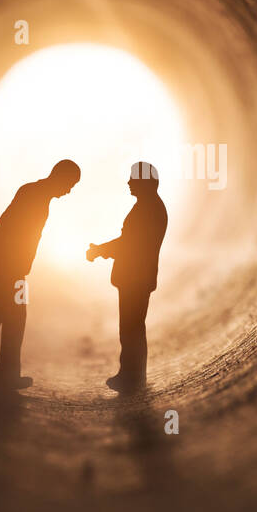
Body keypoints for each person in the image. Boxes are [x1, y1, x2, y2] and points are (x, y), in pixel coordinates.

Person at [0, 159, 80, 389]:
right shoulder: (35, 195)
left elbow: (9, 222)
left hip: (12, 264)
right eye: (69, 184)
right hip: (10, 264)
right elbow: (10, 224)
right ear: (59, 177)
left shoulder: (36, 193)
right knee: (12, 316)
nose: (69, 191)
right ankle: (5, 374)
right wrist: (3, 254)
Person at [87, 162, 168, 393]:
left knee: (131, 328)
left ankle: (132, 378)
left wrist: (99, 250)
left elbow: (128, 244)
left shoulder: (147, 209)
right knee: (132, 327)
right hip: (138, 277)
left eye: (134, 179)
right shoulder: (149, 206)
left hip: (136, 278)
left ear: (145, 183)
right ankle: (131, 375)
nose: (129, 182)